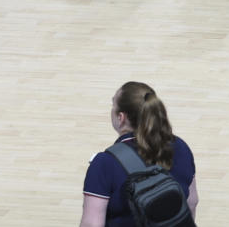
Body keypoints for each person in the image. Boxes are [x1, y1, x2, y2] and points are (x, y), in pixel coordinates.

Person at [80, 81, 198, 227]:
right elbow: (191, 203)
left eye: (113, 105)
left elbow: (92, 224)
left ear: (121, 117)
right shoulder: (180, 147)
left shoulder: (104, 164)